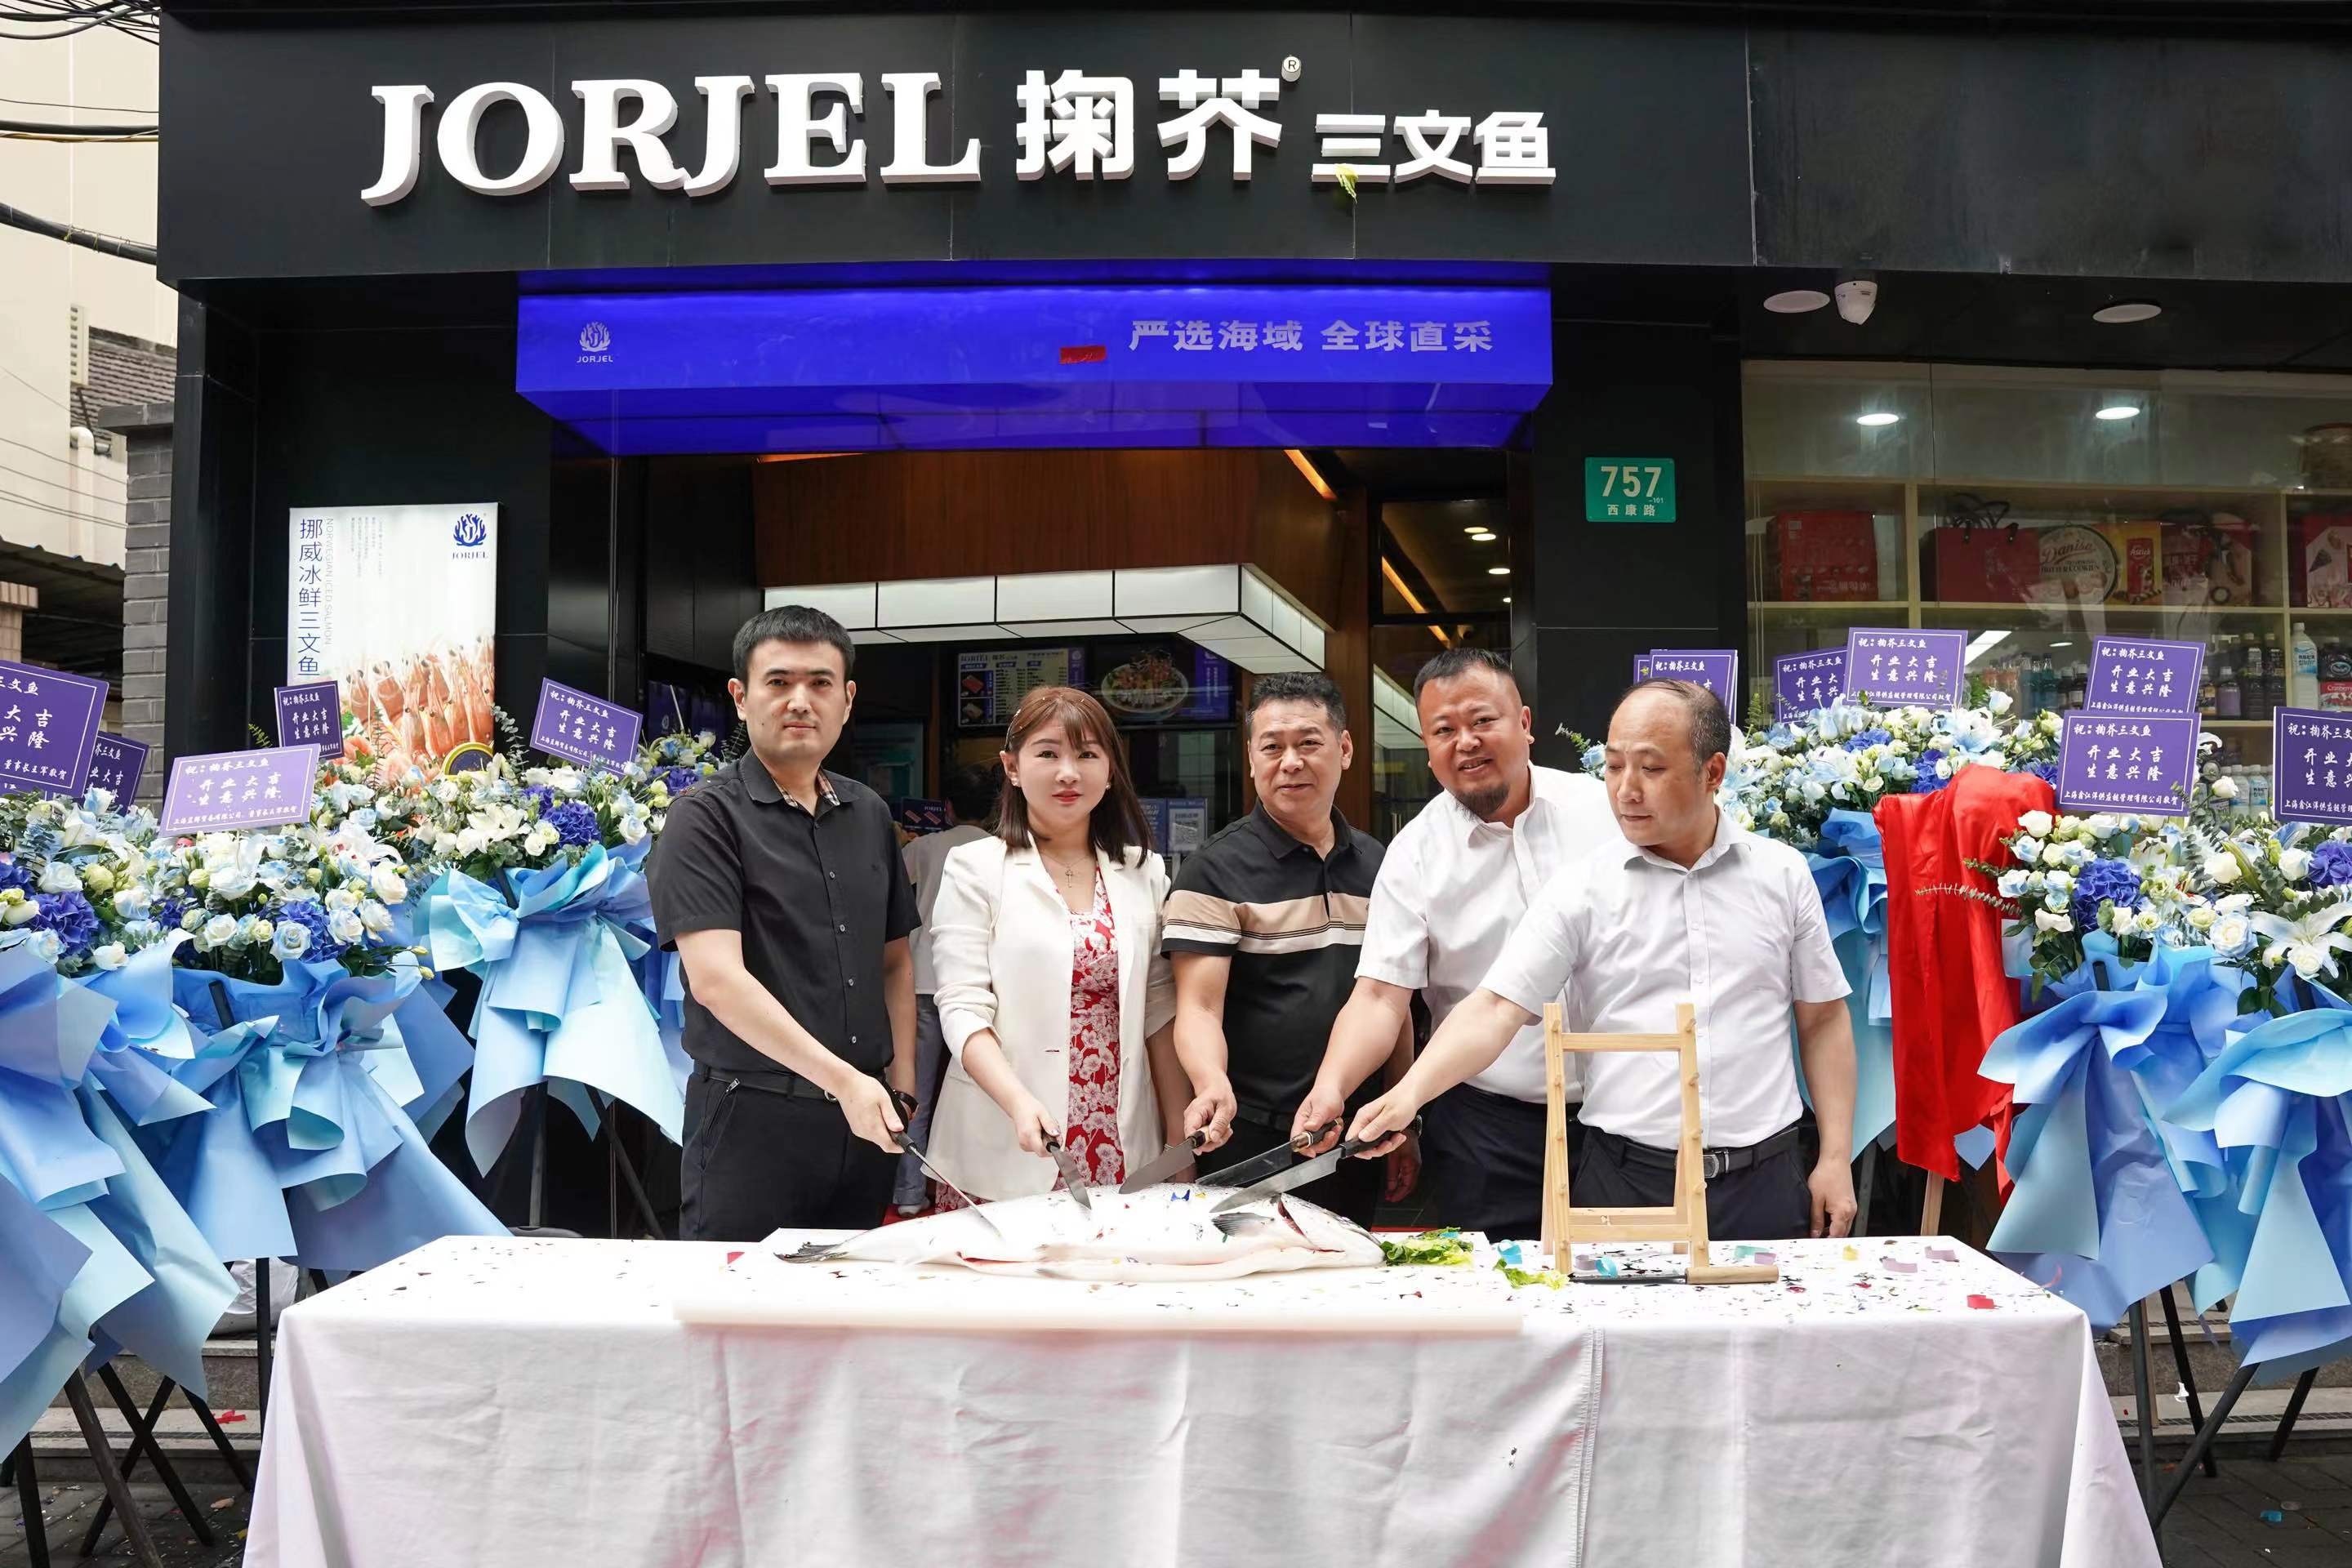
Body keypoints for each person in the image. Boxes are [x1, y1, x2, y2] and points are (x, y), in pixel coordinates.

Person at [1347, 679, 1860, 1242]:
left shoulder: (1781, 875)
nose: (1626, 791)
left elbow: (1822, 1019)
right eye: (1614, 767)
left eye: (1651, 768)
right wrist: (1408, 1095)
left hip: (1766, 1179)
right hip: (1627, 1183)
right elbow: (1495, 1008)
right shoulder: (1584, 888)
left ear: (1713, 772)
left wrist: (1835, 1157)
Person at [1292, 647, 1616, 1241]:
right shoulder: (1414, 854)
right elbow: (1380, 996)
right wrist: (1331, 1087)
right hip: (1488, 1126)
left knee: (1637, 1280)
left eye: (1482, 720)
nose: (1466, 742)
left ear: (1524, 722)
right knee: (1499, 1286)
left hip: (1626, 1114)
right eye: (1444, 730)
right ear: (1427, 746)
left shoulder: (1607, 813)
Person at [648, 605, 919, 1241]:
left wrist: (902, 1087)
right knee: (738, 1297)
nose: (800, 701)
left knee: (854, 1294)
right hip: (751, 1117)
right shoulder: (704, 818)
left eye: (820, 683)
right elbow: (717, 981)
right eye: (779, 682)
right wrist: (844, 1082)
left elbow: (894, 961)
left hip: (867, 1120)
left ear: (847, 700)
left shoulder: (868, 812)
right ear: (741, 698)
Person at [1160, 672, 1412, 1225]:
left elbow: (1393, 1001)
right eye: (1272, 747)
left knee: (1348, 1268)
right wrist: (1209, 1081)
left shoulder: (1383, 866)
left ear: (1345, 750)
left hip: (1355, 1132)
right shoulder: (1212, 872)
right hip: (1249, 1133)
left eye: (1308, 743)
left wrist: (1403, 1110)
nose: (1290, 762)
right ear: (1252, 759)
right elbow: (1198, 1008)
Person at [926, 686, 1187, 1202]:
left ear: (1110, 771)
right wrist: (1017, 1102)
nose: (1068, 773)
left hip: (1119, 1135)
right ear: (1012, 767)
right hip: (1008, 1130)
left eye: (1087, 755)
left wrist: (1179, 1143)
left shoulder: (1144, 871)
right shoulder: (975, 867)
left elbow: (1159, 1011)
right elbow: (962, 1005)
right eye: (1048, 754)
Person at [892, 764, 1000, 1214]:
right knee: (981, 1092)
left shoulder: (925, 848)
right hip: (981, 990)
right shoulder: (1001, 852)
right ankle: (975, 1186)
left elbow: (890, 894)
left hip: (924, 981)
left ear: (948, 808)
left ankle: (910, 1193)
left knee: (916, 1093)